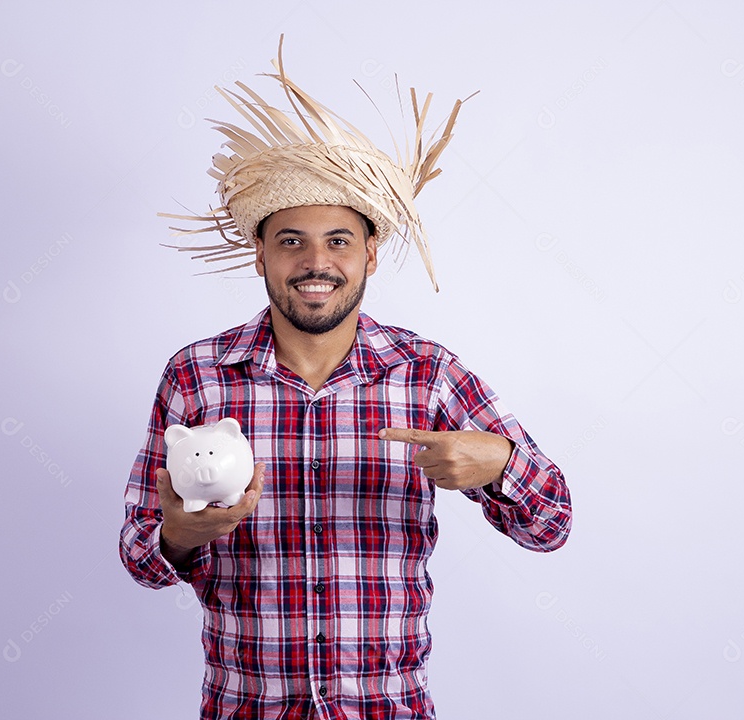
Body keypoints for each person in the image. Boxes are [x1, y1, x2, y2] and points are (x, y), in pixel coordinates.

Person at [121, 40, 572, 720]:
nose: (314, 261)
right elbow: (141, 554)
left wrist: (501, 462)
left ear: (370, 252)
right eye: (291, 239)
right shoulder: (199, 377)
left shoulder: (428, 374)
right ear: (260, 254)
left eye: (337, 240)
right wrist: (182, 535)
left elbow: (553, 522)